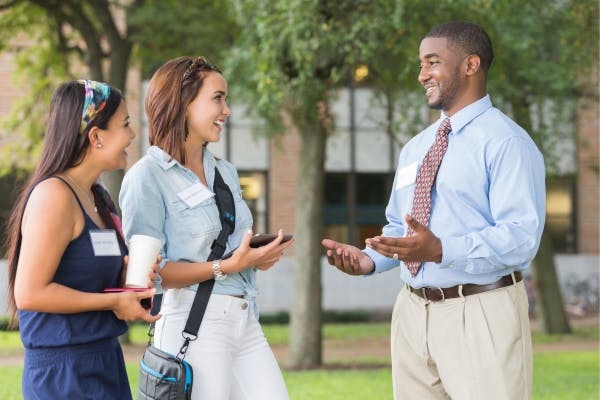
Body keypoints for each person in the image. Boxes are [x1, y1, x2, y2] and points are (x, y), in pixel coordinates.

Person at [322, 22, 545, 400]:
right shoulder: (416, 148)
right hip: (412, 312)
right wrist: (368, 259)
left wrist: (441, 249)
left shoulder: (507, 143)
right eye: (421, 64)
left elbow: (521, 237)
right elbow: (402, 226)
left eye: (432, 62)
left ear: (470, 65)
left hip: (481, 312)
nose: (421, 74)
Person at [119, 56, 293, 400]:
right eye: (218, 98)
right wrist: (228, 266)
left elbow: (227, 245)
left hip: (245, 318)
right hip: (193, 323)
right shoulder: (146, 177)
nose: (227, 110)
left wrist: (254, 257)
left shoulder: (225, 172)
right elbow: (149, 275)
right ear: (183, 103)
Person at [6, 80, 160, 399]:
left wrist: (128, 280)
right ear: (96, 136)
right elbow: (30, 293)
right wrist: (113, 302)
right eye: (126, 125)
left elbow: (88, 276)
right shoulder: (53, 196)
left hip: (105, 363)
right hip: (63, 375)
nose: (133, 135)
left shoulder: (98, 197)